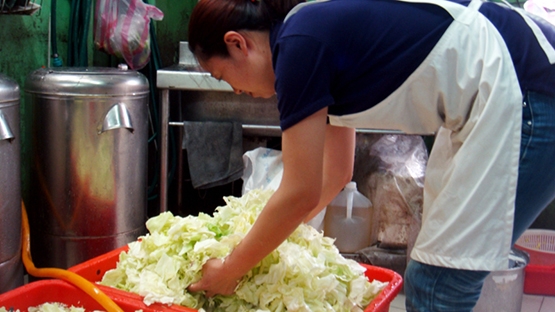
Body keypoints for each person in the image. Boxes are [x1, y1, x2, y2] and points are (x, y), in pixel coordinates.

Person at [186, 0, 555, 310]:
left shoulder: (298, 47)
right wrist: (275, 237)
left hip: (523, 91)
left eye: (223, 76)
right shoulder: (308, 30)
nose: (235, 90)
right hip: (499, 90)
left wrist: (232, 268)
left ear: (237, 43)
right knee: (435, 277)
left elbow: (300, 194)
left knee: (438, 284)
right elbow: (335, 174)